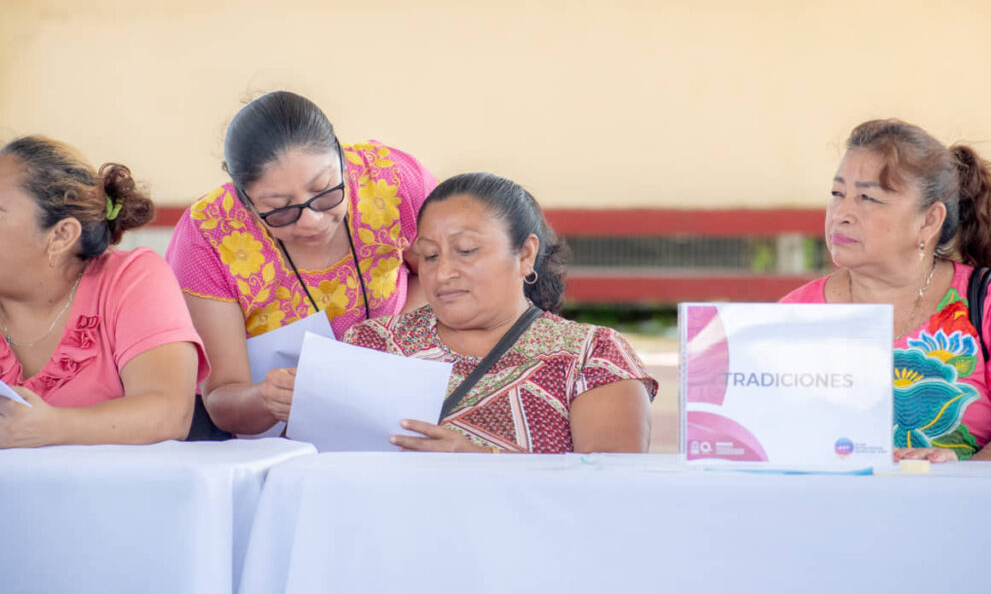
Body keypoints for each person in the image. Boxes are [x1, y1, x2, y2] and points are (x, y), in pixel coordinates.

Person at [167, 91, 436, 437]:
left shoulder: (389, 179)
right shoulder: (208, 234)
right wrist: (266, 398)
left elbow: (441, 276)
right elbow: (221, 398)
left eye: (325, 191)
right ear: (246, 201)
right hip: (272, 438)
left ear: (340, 156)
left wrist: (390, 337)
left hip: (397, 397)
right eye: (280, 209)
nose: (311, 220)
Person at [344, 172, 657, 453]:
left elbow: (611, 490)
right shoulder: (372, 345)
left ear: (525, 254)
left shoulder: (592, 356)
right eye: (429, 256)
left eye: (466, 250)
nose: (442, 273)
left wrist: (480, 462)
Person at [781, 119, 991, 462]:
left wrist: (958, 477)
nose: (842, 214)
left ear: (929, 221)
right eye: (837, 194)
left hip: (962, 514)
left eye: (867, 197)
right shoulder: (794, 315)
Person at [0, 136, 208, 447]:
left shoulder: (131, 279)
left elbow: (168, 413)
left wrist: (53, 427)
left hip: (127, 494)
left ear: (61, 235)